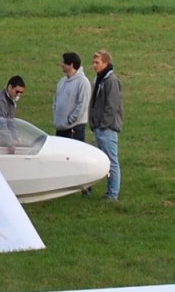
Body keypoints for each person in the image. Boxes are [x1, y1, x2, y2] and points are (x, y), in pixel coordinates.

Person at [89, 49, 123, 201]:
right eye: (94, 62)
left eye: (97, 62)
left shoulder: (111, 81)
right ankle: (108, 192)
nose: (94, 65)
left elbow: (112, 106)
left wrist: (103, 124)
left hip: (107, 128)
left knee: (111, 161)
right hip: (99, 126)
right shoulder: (99, 80)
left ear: (106, 63)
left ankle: (113, 193)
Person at [52, 52, 90, 143]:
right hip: (61, 128)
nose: (62, 65)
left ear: (71, 64)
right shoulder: (62, 81)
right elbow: (55, 100)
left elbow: (82, 104)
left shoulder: (83, 82)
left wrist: (70, 120)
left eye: (64, 63)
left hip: (74, 129)